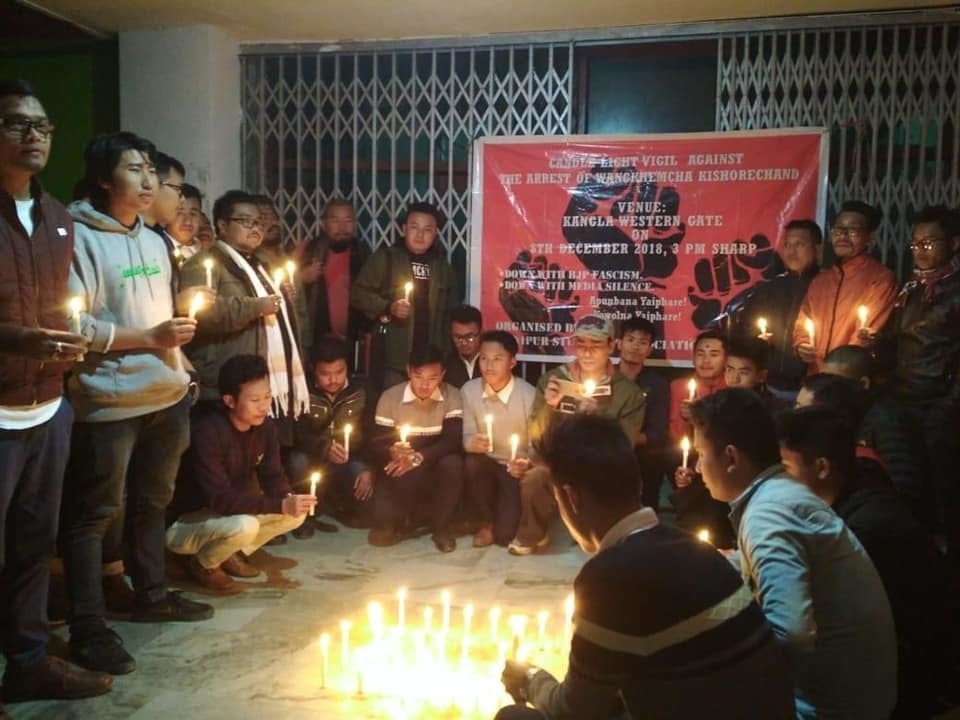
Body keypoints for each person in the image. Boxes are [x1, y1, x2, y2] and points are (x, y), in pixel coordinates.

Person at [495, 415, 794, 720]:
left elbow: (573, 710)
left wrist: (530, 678)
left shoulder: (610, 578)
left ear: (571, 498)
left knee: (514, 717)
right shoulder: (695, 548)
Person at [61, 131, 215, 677]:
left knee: (154, 503)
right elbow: (73, 325)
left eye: (152, 169)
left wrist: (176, 350)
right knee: (95, 515)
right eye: (135, 169)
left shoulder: (154, 240)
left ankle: (152, 594)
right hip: (110, 398)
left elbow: (162, 320)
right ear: (105, 179)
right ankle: (89, 626)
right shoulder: (76, 237)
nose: (150, 181)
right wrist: (149, 338)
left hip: (166, 393)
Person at [0, 77, 112, 709]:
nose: (35, 135)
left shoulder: (56, 218)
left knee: (33, 547)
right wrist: (20, 338)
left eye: (42, 125)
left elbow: (63, 309)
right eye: (18, 123)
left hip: (47, 406)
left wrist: (65, 340)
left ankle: (28, 661)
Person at [690, 388, 897, 719]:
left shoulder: (769, 512)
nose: (698, 467)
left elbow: (791, 634)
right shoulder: (778, 494)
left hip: (827, 706)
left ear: (730, 457)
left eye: (701, 454)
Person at [777, 406, 958, 719]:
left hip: (914, 684)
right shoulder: (848, 495)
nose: (777, 481)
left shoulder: (864, 530)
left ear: (821, 467)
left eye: (785, 468)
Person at [166, 355, 315, 594]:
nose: (264, 406)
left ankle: (227, 553)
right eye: (255, 399)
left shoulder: (265, 427)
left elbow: (273, 476)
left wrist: (289, 499)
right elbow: (220, 499)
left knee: (296, 514)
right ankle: (202, 564)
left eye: (267, 397)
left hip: (228, 513)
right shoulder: (208, 432)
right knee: (245, 525)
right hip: (187, 522)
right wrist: (280, 503)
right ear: (229, 400)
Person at [180, 190, 309, 447]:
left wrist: (283, 296)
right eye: (245, 221)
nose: (255, 228)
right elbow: (205, 315)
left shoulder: (262, 264)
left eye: (259, 222)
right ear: (222, 225)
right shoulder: (205, 264)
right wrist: (256, 306)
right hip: (227, 384)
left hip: (263, 380)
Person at [509, 315, 646, 555]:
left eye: (595, 345)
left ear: (611, 346)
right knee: (535, 479)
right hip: (558, 459)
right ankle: (533, 533)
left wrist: (596, 418)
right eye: (581, 344)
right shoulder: (554, 380)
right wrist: (550, 406)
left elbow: (624, 444)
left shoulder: (628, 392)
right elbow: (537, 435)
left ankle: (600, 537)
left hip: (601, 463)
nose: (587, 352)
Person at [874, 204, 960, 568]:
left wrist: (948, 404)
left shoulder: (954, 292)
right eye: (915, 244)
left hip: (941, 405)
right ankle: (917, 555)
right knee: (906, 481)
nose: (921, 250)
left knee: (944, 486)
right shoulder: (910, 290)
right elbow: (895, 343)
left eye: (929, 242)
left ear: (954, 244)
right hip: (903, 400)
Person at [351, 201, 460, 392]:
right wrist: (388, 307)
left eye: (427, 229)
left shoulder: (443, 268)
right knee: (393, 409)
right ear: (403, 229)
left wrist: (446, 354)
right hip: (394, 360)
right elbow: (358, 294)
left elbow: (451, 314)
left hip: (430, 361)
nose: (420, 235)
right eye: (414, 227)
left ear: (435, 234)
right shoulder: (386, 258)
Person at [368, 345, 464, 552]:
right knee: (381, 528)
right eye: (419, 376)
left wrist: (419, 457)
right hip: (400, 463)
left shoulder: (452, 396)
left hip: (435, 459)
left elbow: (452, 441)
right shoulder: (391, 397)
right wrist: (391, 451)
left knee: (453, 464)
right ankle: (406, 521)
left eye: (432, 378)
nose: (424, 385)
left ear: (442, 375)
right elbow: (377, 442)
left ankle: (442, 527)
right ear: (409, 371)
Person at [793, 200, 898, 373]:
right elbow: (803, 322)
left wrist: (837, 370)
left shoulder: (880, 279)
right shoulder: (821, 281)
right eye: (838, 229)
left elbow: (866, 335)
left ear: (870, 237)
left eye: (853, 230)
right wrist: (802, 345)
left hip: (850, 380)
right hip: (816, 377)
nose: (842, 236)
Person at [818, 345, 922, 511]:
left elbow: (903, 488)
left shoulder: (887, 421)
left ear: (863, 383)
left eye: (836, 383)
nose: (826, 390)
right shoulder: (849, 412)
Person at [289, 334, 373, 536]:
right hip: (313, 456)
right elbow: (298, 433)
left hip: (350, 456)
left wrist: (371, 468)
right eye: (325, 374)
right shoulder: (302, 391)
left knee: (362, 486)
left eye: (339, 371)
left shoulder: (361, 389)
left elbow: (372, 433)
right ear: (313, 370)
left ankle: (342, 506)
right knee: (297, 462)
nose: (333, 379)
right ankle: (303, 517)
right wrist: (325, 448)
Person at [461, 331, 535, 547]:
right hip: (486, 465)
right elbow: (466, 433)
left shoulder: (528, 395)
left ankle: (506, 522)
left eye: (497, 359)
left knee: (505, 537)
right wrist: (470, 443)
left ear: (512, 362)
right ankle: (486, 522)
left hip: (515, 470)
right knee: (472, 463)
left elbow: (536, 444)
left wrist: (525, 463)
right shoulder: (470, 390)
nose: (488, 366)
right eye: (483, 358)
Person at [739, 219, 821, 402]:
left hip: (812, 390)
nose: (791, 252)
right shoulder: (770, 289)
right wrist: (758, 341)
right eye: (787, 245)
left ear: (818, 249)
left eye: (799, 245)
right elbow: (747, 328)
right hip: (770, 388)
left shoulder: (827, 288)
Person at [295, 198, 370, 365]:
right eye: (335, 220)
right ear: (324, 223)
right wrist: (301, 278)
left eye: (348, 220)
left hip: (353, 341)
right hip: (315, 339)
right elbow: (281, 288)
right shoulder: (307, 251)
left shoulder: (363, 253)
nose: (342, 227)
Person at [615, 316, 669, 510]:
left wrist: (627, 439)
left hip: (640, 454)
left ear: (650, 349)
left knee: (652, 460)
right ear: (618, 343)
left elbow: (657, 433)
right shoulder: (603, 378)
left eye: (643, 342)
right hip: (605, 450)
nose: (635, 347)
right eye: (630, 340)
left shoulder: (658, 385)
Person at [668, 329, 726, 443]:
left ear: (726, 359)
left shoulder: (733, 388)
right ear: (693, 359)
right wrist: (686, 419)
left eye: (714, 355)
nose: (706, 360)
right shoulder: (678, 387)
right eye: (700, 354)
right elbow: (676, 436)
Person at [445, 304, 483, 388]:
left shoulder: (490, 363)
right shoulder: (445, 366)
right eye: (458, 337)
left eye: (469, 337)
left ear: (481, 333)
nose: (464, 343)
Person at [167, 183, 202, 263]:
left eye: (193, 214)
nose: (187, 221)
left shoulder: (205, 250)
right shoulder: (160, 249)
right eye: (180, 213)